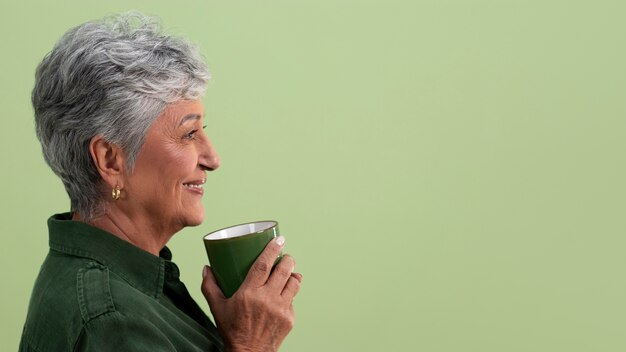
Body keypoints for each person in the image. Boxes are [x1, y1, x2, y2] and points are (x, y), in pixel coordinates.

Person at [19, 12, 302, 352]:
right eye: (188, 133)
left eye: (203, 131)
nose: (213, 159)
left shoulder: (124, 287)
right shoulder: (113, 321)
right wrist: (252, 344)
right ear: (110, 159)